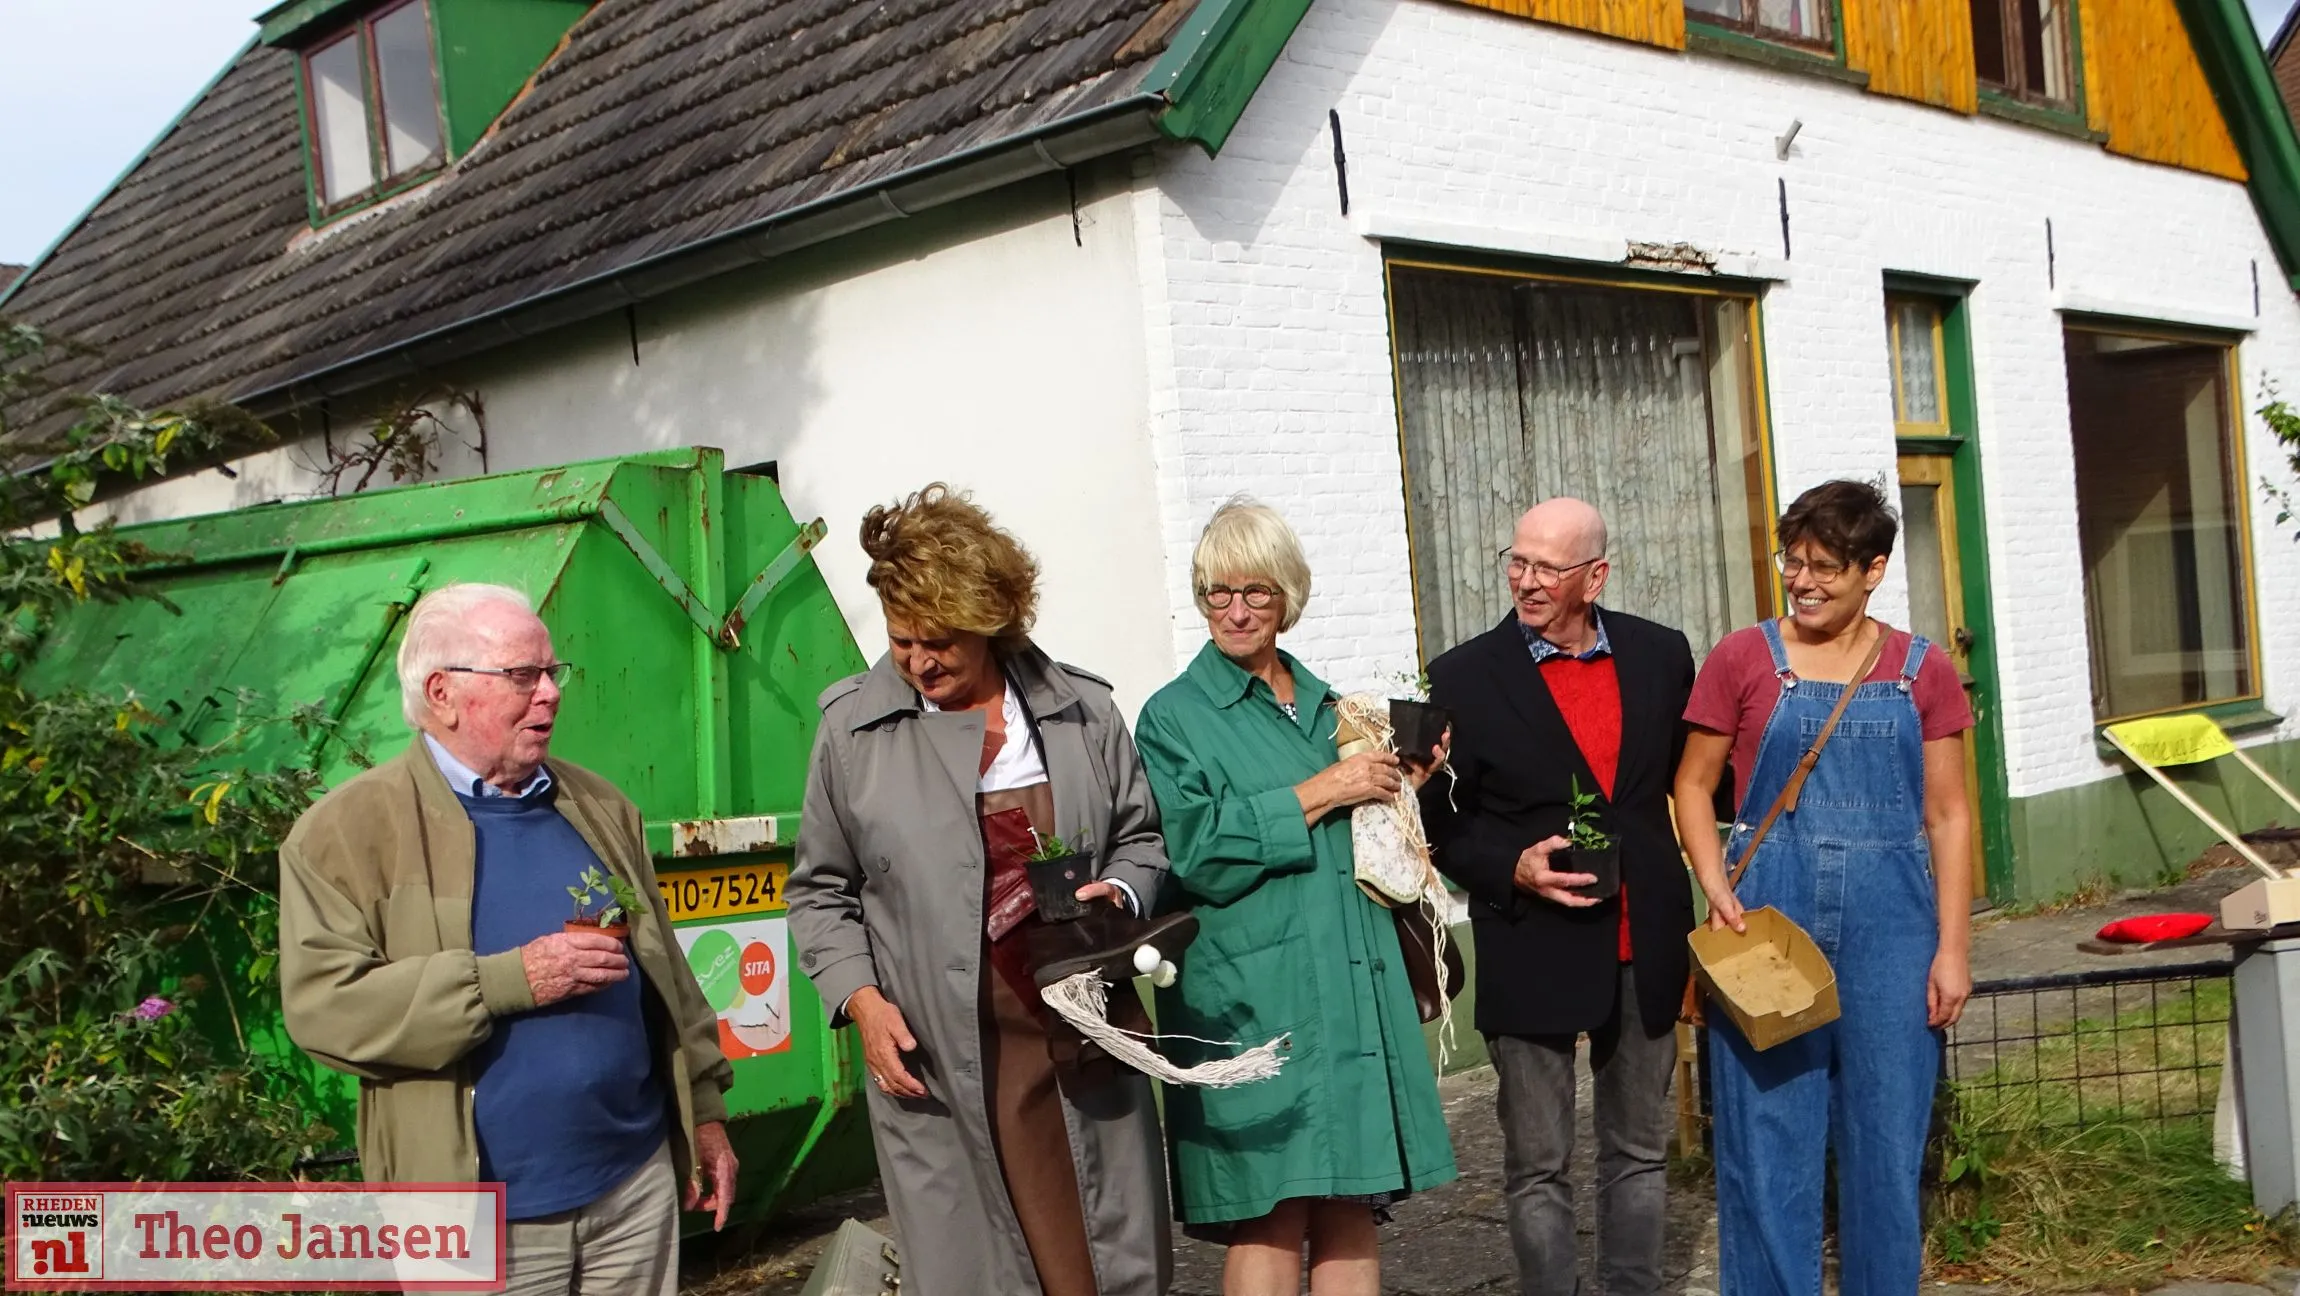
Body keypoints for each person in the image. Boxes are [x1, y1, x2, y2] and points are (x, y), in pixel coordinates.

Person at [278, 583, 737, 1296]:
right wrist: (506, 981)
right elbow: (324, 1011)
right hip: (478, 1224)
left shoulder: (602, 807)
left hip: (633, 1189)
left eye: (554, 672)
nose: (550, 694)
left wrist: (705, 1114)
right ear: (442, 693)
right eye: (523, 676)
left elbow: (668, 975)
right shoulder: (347, 834)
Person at [786, 485, 1173, 1296]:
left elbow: (1142, 839)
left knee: (1102, 1261)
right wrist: (861, 999)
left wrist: (1124, 896)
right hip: (942, 1059)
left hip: (1079, 1038)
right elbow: (820, 891)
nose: (921, 662)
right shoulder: (852, 731)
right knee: (977, 1267)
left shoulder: (1082, 712)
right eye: (902, 641)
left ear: (993, 622)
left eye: (942, 643)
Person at [1135, 496, 1457, 1296]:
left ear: (1287, 599)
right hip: (1251, 996)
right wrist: (1325, 788)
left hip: (1350, 979)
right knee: (1271, 1208)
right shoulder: (1173, 718)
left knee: (1351, 1197)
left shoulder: (1333, 709)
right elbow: (1195, 851)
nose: (1235, 611)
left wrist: (1397, 788)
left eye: (1256, 593)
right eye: (1218, 592)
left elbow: (1369, 843)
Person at [1672, 479, 1974, 1291]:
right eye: (1792, 563)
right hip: (1766, 919)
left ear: (1873, 569)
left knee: (1885, 1140)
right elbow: (1693, 786)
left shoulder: (1924, 670)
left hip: (1894, 932)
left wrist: (1952, 949)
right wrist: (1715, 882)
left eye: (1825, 569)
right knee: (1767, 1142)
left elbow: (1948, 817)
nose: (1802, 582)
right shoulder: (1743, 658)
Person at [1418, 498, 1696, 1295]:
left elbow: (1698, 778)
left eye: (1548, 567)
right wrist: (1512, 865)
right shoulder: (1463, 677)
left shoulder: (1659, 654)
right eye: (1518, 561)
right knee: (1538, 1162)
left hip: (1645, 936)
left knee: (1638, 1149)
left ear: (1595, 576)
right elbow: (1437, 826)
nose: (1526, 581)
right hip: (1530, 939)